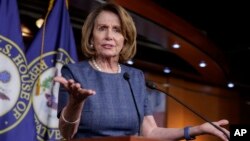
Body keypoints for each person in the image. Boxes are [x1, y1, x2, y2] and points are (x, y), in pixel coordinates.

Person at [54, 2, 230, 141]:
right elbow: (67, 133)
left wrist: (197, 129)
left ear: (125, 38)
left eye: (117, 30)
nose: (109, 36)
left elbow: (151, 131)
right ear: (91, 37)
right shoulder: (74, 73)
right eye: (102, 28)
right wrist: (75, 104)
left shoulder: (134, 77)